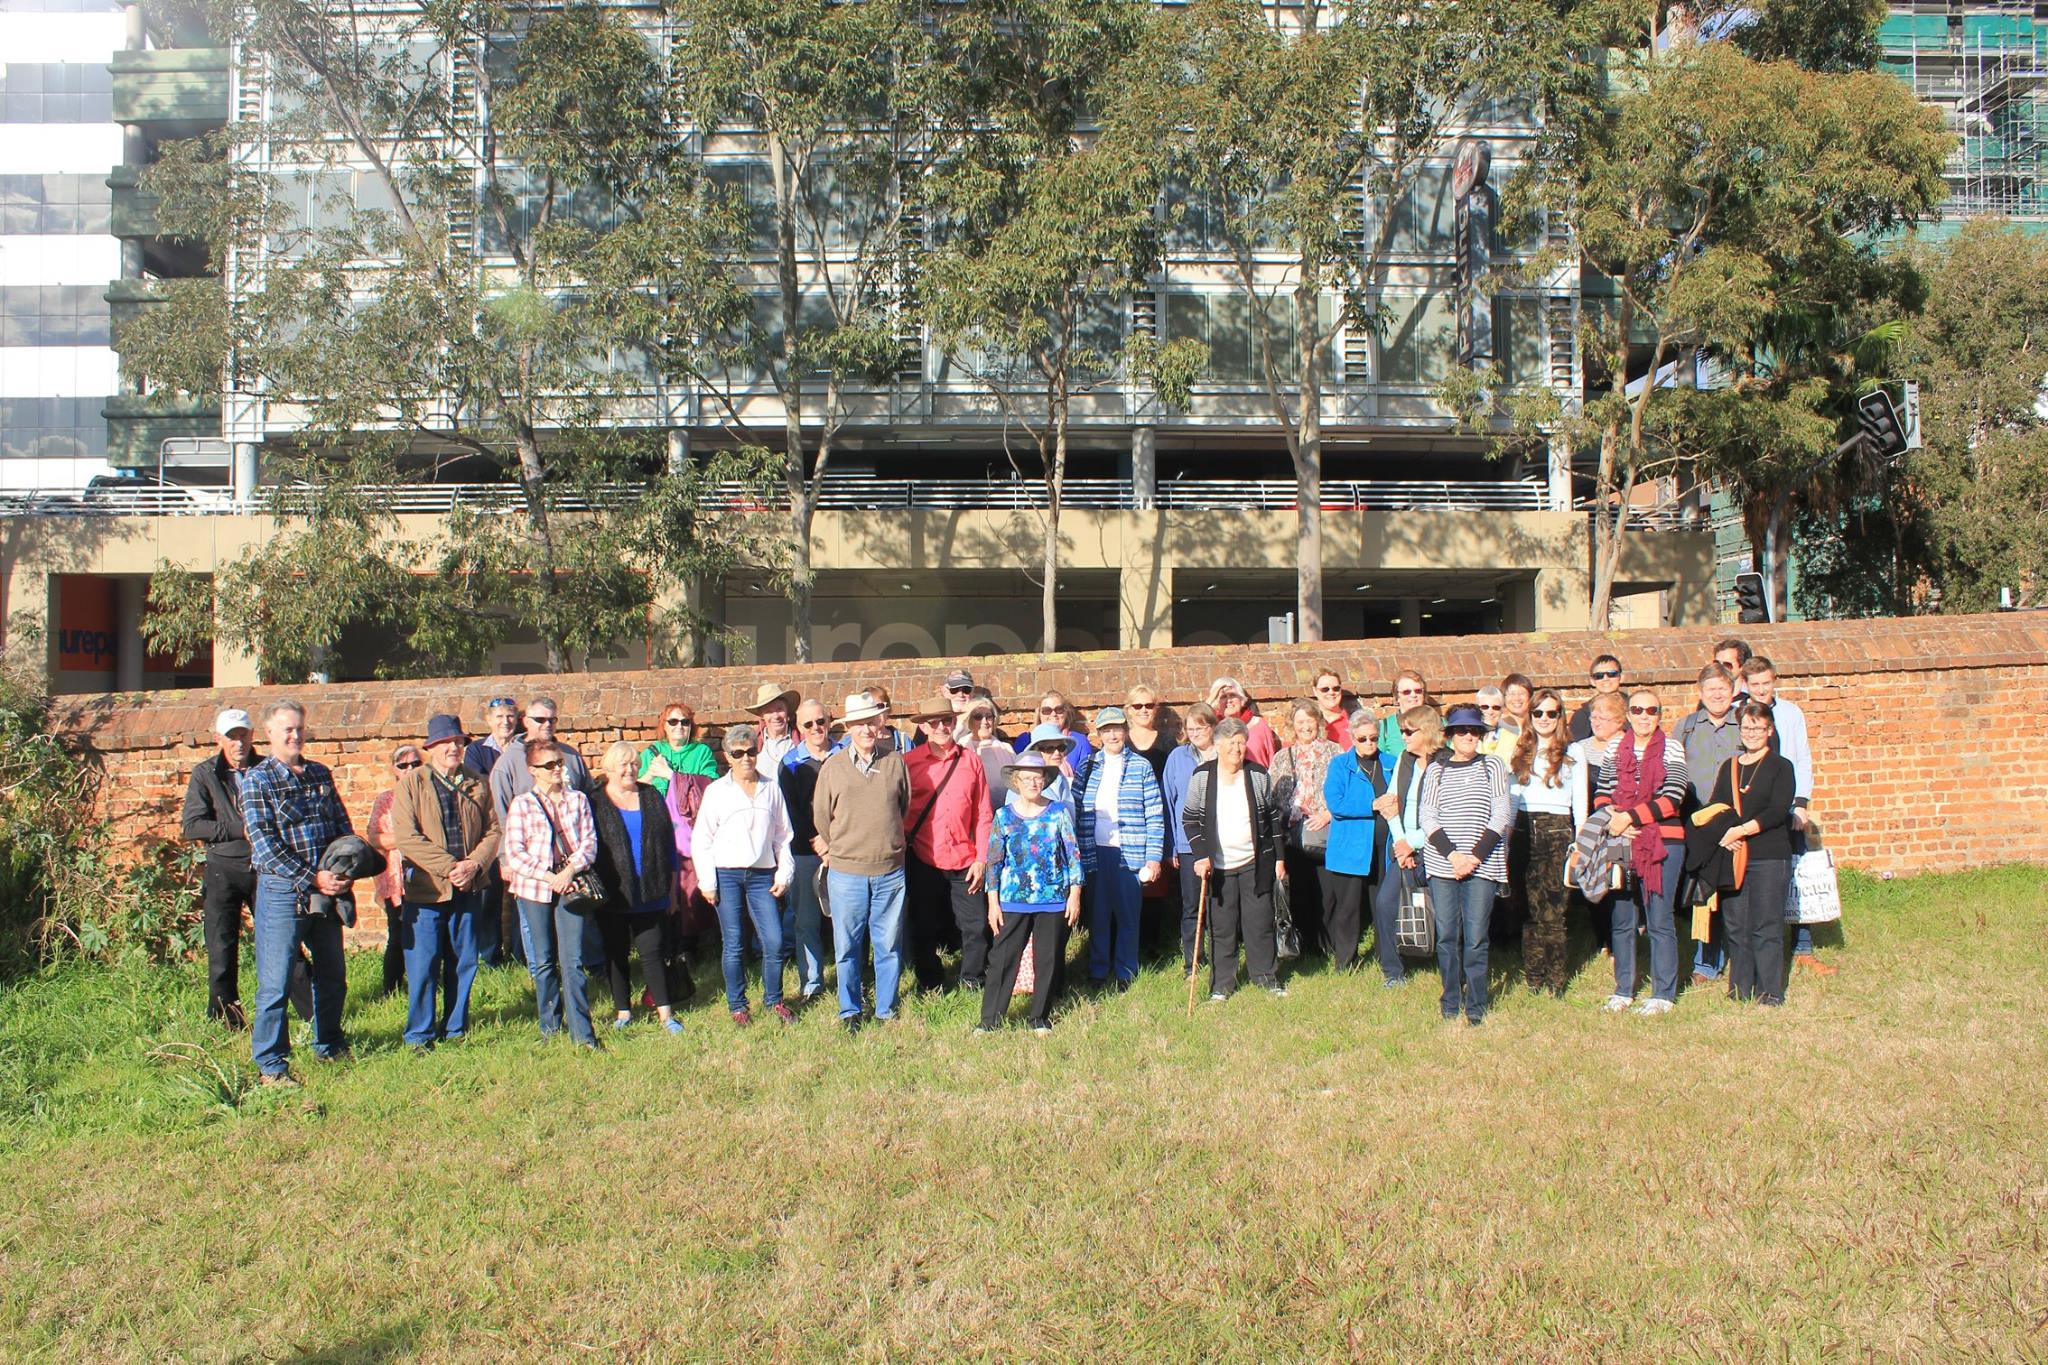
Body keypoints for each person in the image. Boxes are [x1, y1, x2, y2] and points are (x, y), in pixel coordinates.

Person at [238, 700, 355, 1087]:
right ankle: (271, 1065)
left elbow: (342, 828)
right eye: (286, 729)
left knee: (333, 974)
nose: (295, 735)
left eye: (300, 728)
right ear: (268, 734)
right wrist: (314, 877)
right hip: (282, 893)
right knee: (276, 983)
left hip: (325, 893)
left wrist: (341, 874)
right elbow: (265, 846)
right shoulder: (258, 780)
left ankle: (330, 1043)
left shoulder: (319, 774)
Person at [182, 707, 307, 1030]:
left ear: (253, 736)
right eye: (231, 737)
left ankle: (311, 1012)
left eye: (243, 735)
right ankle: (228, 1019)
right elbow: (193, 825)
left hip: (266, 867)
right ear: (219, 739)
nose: (238, 743)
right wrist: (241, 829)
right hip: (224, 868)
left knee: (284, 942)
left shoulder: (270, 768)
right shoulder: (206, 773)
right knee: (222, 945)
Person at [388, 714, 502, 1052]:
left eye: (459, 741)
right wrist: (450, 866)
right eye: (447, 742)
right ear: (432, 747)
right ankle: (420, 1035)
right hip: (427, 890)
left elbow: (494, 830)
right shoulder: (413, 783)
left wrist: (474, 865)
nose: (454, 747)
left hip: (467, 887)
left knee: (463, 961)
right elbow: (407, 838)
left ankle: (455, 1029)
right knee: (423, 965)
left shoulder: (477, 782)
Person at [813, 691, 912, 1032]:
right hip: (847, 872)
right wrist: (846, 846)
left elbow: (903, 808)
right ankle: (850, 1010)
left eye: (872, 721)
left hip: (889, 871)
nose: (867, 729)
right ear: (849, 727)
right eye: (859, 723)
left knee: (888, 944)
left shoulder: (895, 761)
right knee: (847, 947)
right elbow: (822, 819)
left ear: (880, 723)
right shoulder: (833, 767)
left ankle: (886, 1009)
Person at [498, 738, 601, 1048]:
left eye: (559, 763)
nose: (557, 769)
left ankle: (582, 1033)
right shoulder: (523, 804)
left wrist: (569, 872)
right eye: (549, 765)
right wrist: (547, 876)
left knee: (572, 961)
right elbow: (514, 852)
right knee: (543, 961)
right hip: (534, 888)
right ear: (533, 771)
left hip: (571, 885)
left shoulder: (578, 800)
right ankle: (550, 1026)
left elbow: (590, 843)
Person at [1596, 688, 1690, 1016]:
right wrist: (1616, 821)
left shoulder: (1672, 748)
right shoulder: (1614, 747)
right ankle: (1624, 989)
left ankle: (1663, 993)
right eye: (1637, 710)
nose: (1644, 716)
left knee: (1659, 917)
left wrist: (1629, 818)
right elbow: (1602, 793)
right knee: (1622, 916)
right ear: (1629, 714)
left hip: (1663, 841)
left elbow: (1673, 796)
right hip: (1621, 839)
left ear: (1659, 715)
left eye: (1651, 711)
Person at [695, 723, 796, 1026]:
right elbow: (702, 839)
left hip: (762, 875)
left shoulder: (771, 788)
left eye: (751, 751)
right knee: (735, 942)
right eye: (737, 753)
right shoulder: (716, 792)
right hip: (727, 875)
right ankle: (738, 1005)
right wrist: (708, 881)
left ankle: (774, 999)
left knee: (775, 941)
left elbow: (783, 835)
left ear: (758, 751)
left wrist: (784, 874)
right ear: (727, 756)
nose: (745, 759)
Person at [1182, 716, 1288, 1000]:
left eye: (1241, 743)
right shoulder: (1202, 777)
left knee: (1260, 923)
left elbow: (1271, 819)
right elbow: (1190, 818)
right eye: (1231, 744)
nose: (1237, 750)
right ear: (1217, 746)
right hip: (1219, 867)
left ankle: (1265, 976)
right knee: (1222, 927)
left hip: (1255, 864)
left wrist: (1279, 858)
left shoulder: (1258, 775)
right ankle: (1221, 984)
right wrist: (1201, 855)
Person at [1421, 705, 1514, 1026]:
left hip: (1483, 863)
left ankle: (1476, 1004)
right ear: (1450, 735)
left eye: (1474, 731)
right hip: (1443, 863)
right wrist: (1453, 855)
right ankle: (1450, 999)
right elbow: (1427, 815)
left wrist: (1474, 856)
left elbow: (1501, 813)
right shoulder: (1437, 770)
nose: (1468, 736)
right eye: (1461, 731)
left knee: (1475, 936)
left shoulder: (1493, 767)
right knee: (1447, 935)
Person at [977, 752, 1083, 1034]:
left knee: (1046, 959)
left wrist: (1075, 895)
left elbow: (1073, 856)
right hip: (1012, 899)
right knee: (1002, 959)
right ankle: (990, 1021)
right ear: (1016, 781)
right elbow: (994, 862)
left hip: (1053, 899)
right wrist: (992, 903)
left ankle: (1039, 1017)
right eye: (1026, 778)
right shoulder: (1003, 816)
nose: (1033, 783)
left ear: (1045, 780)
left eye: (1037, 777)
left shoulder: (1059, 811)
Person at [1741, 655, 1831, 976]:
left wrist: (1801, 802)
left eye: (1767, 683)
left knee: (1797, 876)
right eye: (1755, 685)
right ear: (1745, 685)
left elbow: (1802, 758)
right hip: (1754, 811)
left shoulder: (1791, 714)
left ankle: (1802, 946)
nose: (1762, 690)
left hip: (1788, 805)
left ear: (1774, 681)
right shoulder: (1743, 717)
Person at [590, 740, 684, 1034]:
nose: (631, 769)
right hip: (613, 894)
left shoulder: (652, 796)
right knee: (616, 954)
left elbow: (669, 846)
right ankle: (623, 1012)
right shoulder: (595, 801)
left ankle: (666, 1013)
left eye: (634, 763)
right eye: (624, 764)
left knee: (653, 951)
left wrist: (672, 891)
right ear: (609, 769)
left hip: (652, 890)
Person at [903, 695, 995, 993]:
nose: (941, 726)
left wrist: (982, 858)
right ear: (924, 727)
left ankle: (972, 978)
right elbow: (897, 808)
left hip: (964, 857)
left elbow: (983, 813)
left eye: (947, 721)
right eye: (934, 722)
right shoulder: (909, 763)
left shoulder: (971, 761)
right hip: (923, 855)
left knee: (975, 925)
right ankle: (930, 980)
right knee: (924, 925)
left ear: (954, 723)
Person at [1707, 703, 1797, 1005]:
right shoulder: (1730, 767)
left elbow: (1777, 810)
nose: (1752, 733)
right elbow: (1717, 808)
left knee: (1766, 925)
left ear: (1769, 730)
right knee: (1737, 925)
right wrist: (1726, 834)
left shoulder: (1781, 766)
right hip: (1735, 855)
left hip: (1770, 856)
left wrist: (1741, 830)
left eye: (1758, 727)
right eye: (1747, 727)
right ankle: (1740, 989)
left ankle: (1770, 991)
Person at [1072, 705, 1165, 990]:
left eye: (1117, 729)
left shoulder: (1141, 766)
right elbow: (1074, 808)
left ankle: (1126, 970)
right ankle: (1098, 969)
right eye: (1106, 730)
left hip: (1131, 851)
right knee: (1098, 914)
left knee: (1127, 913)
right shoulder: (1088, 766)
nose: (1112, 735)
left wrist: (1153, 857)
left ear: (1125, 731)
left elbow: (1155, 813)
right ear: (1098, 734)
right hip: (1094, 849)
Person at [1674, 664, 1744, 984]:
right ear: (1700, 693)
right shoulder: (1686, 727)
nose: (1717, 694)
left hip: (1734, 821)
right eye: (1710, 688)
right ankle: (1705, 963)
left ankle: (1741, 953)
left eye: (1722, 688)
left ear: (1732, 690)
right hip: (1698, 820)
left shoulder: (1744, 724)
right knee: (1704, 891)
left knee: (1735, 890)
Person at [1510, 688, 1578, 997]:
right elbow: (1512, 801)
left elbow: (1582, 807)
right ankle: (1533, 977)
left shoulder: (1572, 755)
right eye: (1539, 713)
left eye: (1552, 713)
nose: (1545, 719)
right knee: (1528, 909)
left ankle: (1556, 978)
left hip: (1556, 829)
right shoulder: (1521, 752)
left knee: (1553, 910)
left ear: (1560, 716)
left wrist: (1578, 845)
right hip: (1524, 827)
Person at [1371, 707, 1445, 990]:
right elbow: (1391, 803)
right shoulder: (1404, 759)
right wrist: (1402, 845)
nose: (1403, 737)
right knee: (1385, 903)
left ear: (1426, 731)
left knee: (1444, 910)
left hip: (1437, 848)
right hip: (1403, 846)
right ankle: (1393, 971)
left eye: (1408, 731)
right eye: (1401, 731)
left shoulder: (1445, 763)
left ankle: (1446, 962)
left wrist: (1411, 843)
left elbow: (1444, 815)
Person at [1269, 699, 1341, 958]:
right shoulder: (1281, 757)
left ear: (1318, 723)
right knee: (1300, 891)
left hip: (1324, 831)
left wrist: (1328, 814)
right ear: (1292, 725)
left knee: (1328, 891)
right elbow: (1274, 797)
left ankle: (1329, 943)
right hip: (1293, 835)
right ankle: (1306, 943)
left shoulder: (1335, 752)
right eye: (1300, 722)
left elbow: (1346, 789)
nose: (1305, 726)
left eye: (1309, 721)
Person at [1319, 704, 1386, 974]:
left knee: (1383, 904)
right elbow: (1336, 803)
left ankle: (1386, 957)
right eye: (1362, 739)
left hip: (1383, 847)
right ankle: (1345, 961)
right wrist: (1373, 804)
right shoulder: (1339, 765)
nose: (1369, 743)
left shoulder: (1391, 763)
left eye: (1373, 738)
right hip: (1350, 847)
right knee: (1347, 909)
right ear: (1352, 737)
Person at [777, 698, 834, 1006]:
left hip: (843, 851)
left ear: (830, 721)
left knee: (846, 920)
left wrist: (834, 843)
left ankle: (851, 976)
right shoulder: (789, 763)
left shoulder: (845, 756)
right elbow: (791, 811)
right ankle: (812, 982)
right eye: (808, 724)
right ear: (798, 728)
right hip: (804, 851)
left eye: (821, 721)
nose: (816, 728)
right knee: (806, 921)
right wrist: (817, 841)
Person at [1567, 691, 1627, 954]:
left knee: (1618, 879)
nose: (1597, 721)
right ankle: (1601, 937)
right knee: (1592, 875)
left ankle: (1620, 940)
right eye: (1594, 716)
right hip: (1589, 825)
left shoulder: (1627, 746)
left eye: (1604, 717)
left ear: (1620, 721)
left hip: (1619, 823)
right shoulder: (1581, 748)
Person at [1162, 702, 1219, 972]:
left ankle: (1221, 956)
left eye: (1201, 727)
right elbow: (1169, 802)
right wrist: (1172, 845)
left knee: (1219, 904)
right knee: (1191, 906)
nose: (1195, 733)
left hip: (1223, 840)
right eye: (1190, 728)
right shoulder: (1177, 757)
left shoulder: (1225, 753)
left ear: (1213, 726)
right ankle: (1192, 961)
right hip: (1188, 844)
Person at [368, 744, 424, 998]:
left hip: (428, 877)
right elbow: (376, 839)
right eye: (403, 765)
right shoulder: (386, 800)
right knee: (399, 935)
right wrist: (410, 838)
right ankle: (390, 989)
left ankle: (424, 984)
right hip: (396, 879)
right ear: (394, 770)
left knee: (429, 934)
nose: (410, 769)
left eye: (415, 764)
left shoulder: (431, 796)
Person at [489, 697, 593, 820]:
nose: (547, 724)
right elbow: (502, 817)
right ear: (526, 722)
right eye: (540, 720)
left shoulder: (572, 756)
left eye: (552, 720)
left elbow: (589, 800)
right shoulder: (508, 763)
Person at [637, 701, 718, 797]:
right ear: (664, 726)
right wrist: (649, 775)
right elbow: (632, 789)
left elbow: (712, 785)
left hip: (689, 810)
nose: (679, 726)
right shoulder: (651, 753)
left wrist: (671, 776)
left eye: (685, 722)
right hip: (658, 809)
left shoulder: (701, 752)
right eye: (673, 722)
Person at [1010, 690, 1093, 771]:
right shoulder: (1025, 740)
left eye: (1059, 709)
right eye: (1047, 710)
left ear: (1066, 712)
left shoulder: (1079, 741)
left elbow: (1086, 776)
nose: (1053, 714)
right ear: (1039, 714)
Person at [1206, 677, 1277, 767]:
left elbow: (1272, 761)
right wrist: (1211, 698)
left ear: (1242, 700)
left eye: (1232, 695)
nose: (1229, 700)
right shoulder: (1213, 728)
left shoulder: (1259, 725)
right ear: (1216, 703)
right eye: (1223, 697)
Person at [1122, 684, 1176, 786]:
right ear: (1129, 710)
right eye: (1138, 706)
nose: (1144, 710)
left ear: (1155, 709)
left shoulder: (1167, 741)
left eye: (1149, 706)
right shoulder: (1121, 742)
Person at [961, 696, 1013, 800]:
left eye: (988, 716)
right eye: (978, 716)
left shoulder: (1006, 749)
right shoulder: (960, 748)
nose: (984, 721)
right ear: (968, 720)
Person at [1377, 671, 1430, 764]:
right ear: (1397, 697)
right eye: (1407, 692)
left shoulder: (1439, 723)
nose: (1413, 695)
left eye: (1418, 691)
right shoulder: (1386, 727)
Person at [744, 683, 800, 770]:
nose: (776, 716)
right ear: (762, 715)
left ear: (787, 711)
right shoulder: (752, 742)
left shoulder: (801, 740)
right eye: (769, 711)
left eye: (780, 709)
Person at [1569, 654, 1624, 742]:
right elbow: (1576, 748)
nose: (1606, 679)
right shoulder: (1584, 714)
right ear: (1592, 681)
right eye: (1599, 676)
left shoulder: (1635, 709)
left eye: (1612, 674)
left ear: (1621, 677)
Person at [463, 696, 520, 778]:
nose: (505, 722)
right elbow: (475, 783)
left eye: (510, 716)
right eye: (499, 716)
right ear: (489, 720)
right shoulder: (476, 750)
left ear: (516, 720)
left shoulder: (524, 748)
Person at [1311, 669, 1357, 748]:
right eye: (1325, 689)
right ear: (1315, 691)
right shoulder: (1309, 721)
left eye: (1336, 688)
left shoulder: (1354, 721)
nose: (1331, 692)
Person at [1501, 674, 1534, 744]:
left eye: (1522, 693)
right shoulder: (1498, 727)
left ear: (1530, 697)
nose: (1517, 698)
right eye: (1512, 694)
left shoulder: (1538, 724)